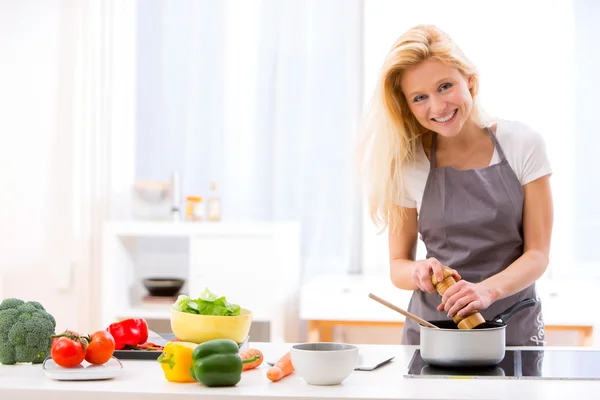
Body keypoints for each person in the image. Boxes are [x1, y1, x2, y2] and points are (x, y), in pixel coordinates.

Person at [357, 24, 553, 346]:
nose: (438, 107)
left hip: (513, 327)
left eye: (445, 86)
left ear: (470, 82)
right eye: (420, 97)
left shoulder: (523, 144)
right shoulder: (408, 163)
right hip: (434, 334)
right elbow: (398, 266)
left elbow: (537, 254)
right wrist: (418, 271)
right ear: (407, 106)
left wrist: (487, 290)